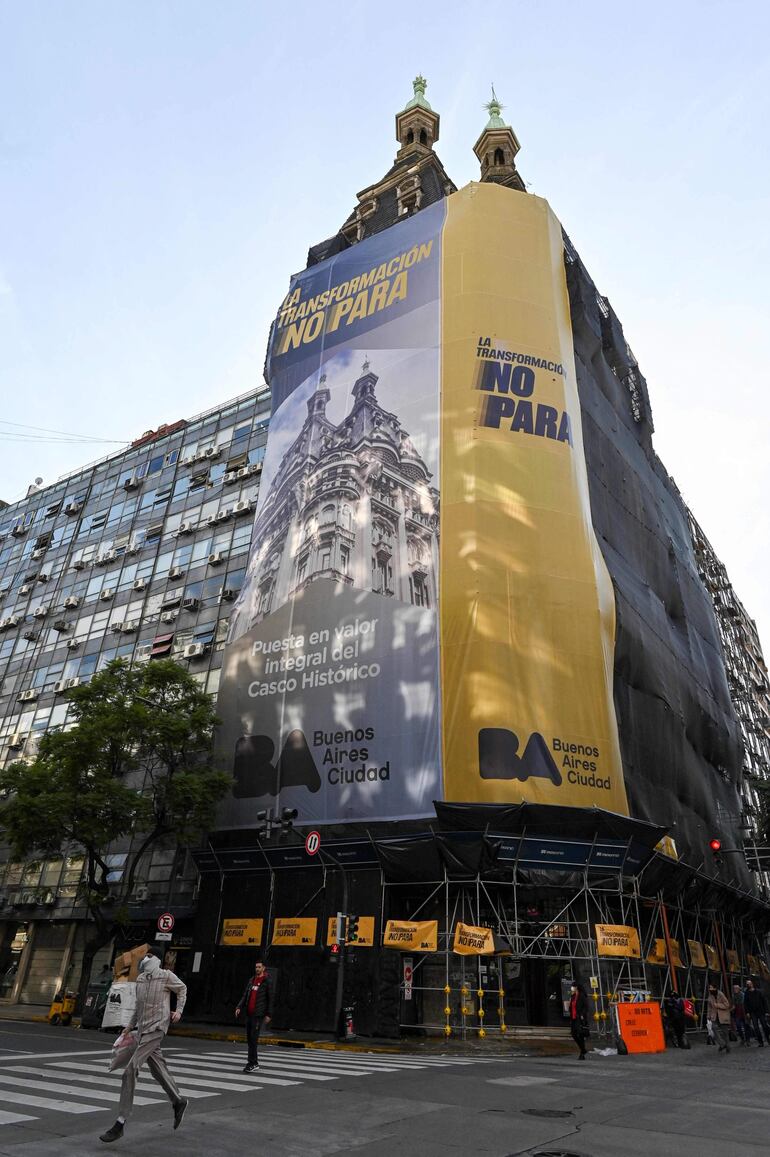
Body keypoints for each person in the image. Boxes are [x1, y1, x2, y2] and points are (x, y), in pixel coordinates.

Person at [100, 950, 188, 1144]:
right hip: (142, 1031)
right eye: (144, 955)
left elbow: (182, 989)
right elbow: (138, 1008)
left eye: (149, 955)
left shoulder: (166, 976)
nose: (145, 959)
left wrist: (179, 1011)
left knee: (130, 1070)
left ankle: (120, 1122)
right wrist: (129, 1028)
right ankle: (178, 1101)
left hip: (157, 1028)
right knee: (158, 1069)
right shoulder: (140, 979)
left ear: (156, 959)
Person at [235, 959, 274, 1072]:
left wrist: (269, 1014)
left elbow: (271, 999)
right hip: (249, 1014)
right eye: (256, 967)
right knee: (249, 1039)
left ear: (263, 968)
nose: (257, 969)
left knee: (253, 1038)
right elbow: (245, 995)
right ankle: (254, 1062)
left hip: (258, 1015)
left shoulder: (267, 981)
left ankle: (251, 1063)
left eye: (259, 967)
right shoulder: (251, 980)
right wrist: (238, 1007)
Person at [743, 980, 770, 1046]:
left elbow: (764, 1001)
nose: (748, 985)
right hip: (752, 1012)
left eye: (749, 984)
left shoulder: (759, 992)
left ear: (752, 984)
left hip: (761, 1011)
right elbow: (745, 1004)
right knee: (756, 1027)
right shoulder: (746, 993)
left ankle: (768, 1040)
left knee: (764, 1026)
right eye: (747, 984)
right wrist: (747, 1012)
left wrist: (767, 1011)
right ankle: (760, 1042)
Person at [707, 984, 731, 1053]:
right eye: (709, 988)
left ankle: (728, 1046)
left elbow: (727, 1005)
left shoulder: (720, 994)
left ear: (715, 988)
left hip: (722, 1016)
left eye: (711, 988)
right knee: (713, 1028)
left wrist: (717, 1005)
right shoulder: (710, 996)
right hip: (714, 1016)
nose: (710, 989)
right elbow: (709, 1007)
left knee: (725, 1032)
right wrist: (708, 1015)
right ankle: (722, 1044)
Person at [568, 982, 590, 1060]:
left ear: (576, 987)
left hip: (579, 1018)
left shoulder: (582, 996)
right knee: (574, 1034)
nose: (572, 988)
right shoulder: (573, 996)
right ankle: (583, 1050)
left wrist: (582, 1014)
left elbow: (586, 1006)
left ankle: (582, 1053)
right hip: (573, 1017)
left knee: (580, 1035)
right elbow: (571, 1006)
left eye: (573, 987)